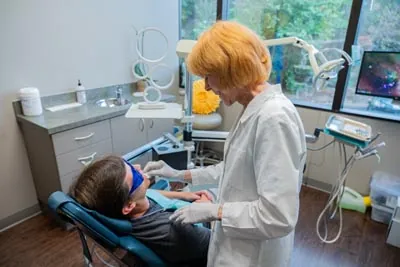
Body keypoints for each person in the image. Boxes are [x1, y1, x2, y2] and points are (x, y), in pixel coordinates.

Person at [144, 21, 307, 267]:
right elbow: (233, 168)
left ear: (231, 69)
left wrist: (215, 211)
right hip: (235, 246)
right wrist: (180, 173)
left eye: (208, 76)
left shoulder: (274, 118)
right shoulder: (253, 109)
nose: (207, 86)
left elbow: (278, 216)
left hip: (253, 255)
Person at [69, 155, 212, 266]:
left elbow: (149, 194)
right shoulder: (171, 231)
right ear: (128, 206)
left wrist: (183, 195)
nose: (138, 167)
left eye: (130, 164)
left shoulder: (134, 202)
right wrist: (209, 209)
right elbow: (215, 242)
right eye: (135, 175)